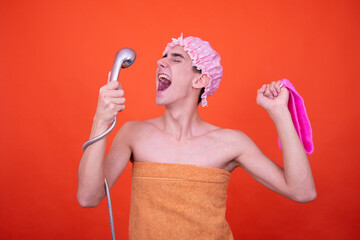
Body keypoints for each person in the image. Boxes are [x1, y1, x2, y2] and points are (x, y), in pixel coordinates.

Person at [77, 35, 316, 239]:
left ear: (200, 79)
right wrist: (100, 118)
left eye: (175, 58)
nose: (160, 62)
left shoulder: (232, 142)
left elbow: (302, 191)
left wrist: (279, 113)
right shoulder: (133, 133)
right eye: (163, 57)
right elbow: (88, 197)